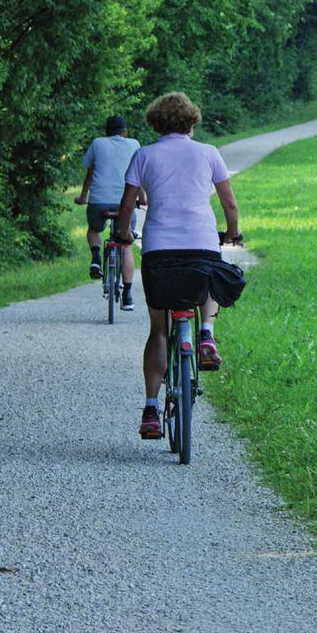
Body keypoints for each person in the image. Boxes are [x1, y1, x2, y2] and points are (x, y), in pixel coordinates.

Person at [114, 92, 241, 439]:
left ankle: (152, 409)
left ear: (156, 123)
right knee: (210, 277)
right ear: (192, 121)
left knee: (158, 330)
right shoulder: (209, 153)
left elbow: (127, 207)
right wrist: (233, 233)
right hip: (201, 243)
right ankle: (206, 336)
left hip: (159, 251)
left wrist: (125, 234)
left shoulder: (144, 155)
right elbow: (229, 204)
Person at [74, 115, 141, 311]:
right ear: (125, 131)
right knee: (126, 244)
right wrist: (143, 198)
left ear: (107, 131)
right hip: (125, 202)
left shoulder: (97, 143)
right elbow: (138, 176)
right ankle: (128, 295)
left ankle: (96, 258)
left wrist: (82, 196)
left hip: (99, 202)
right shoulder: (134, 144)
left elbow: (90, 172)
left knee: (94, 229)